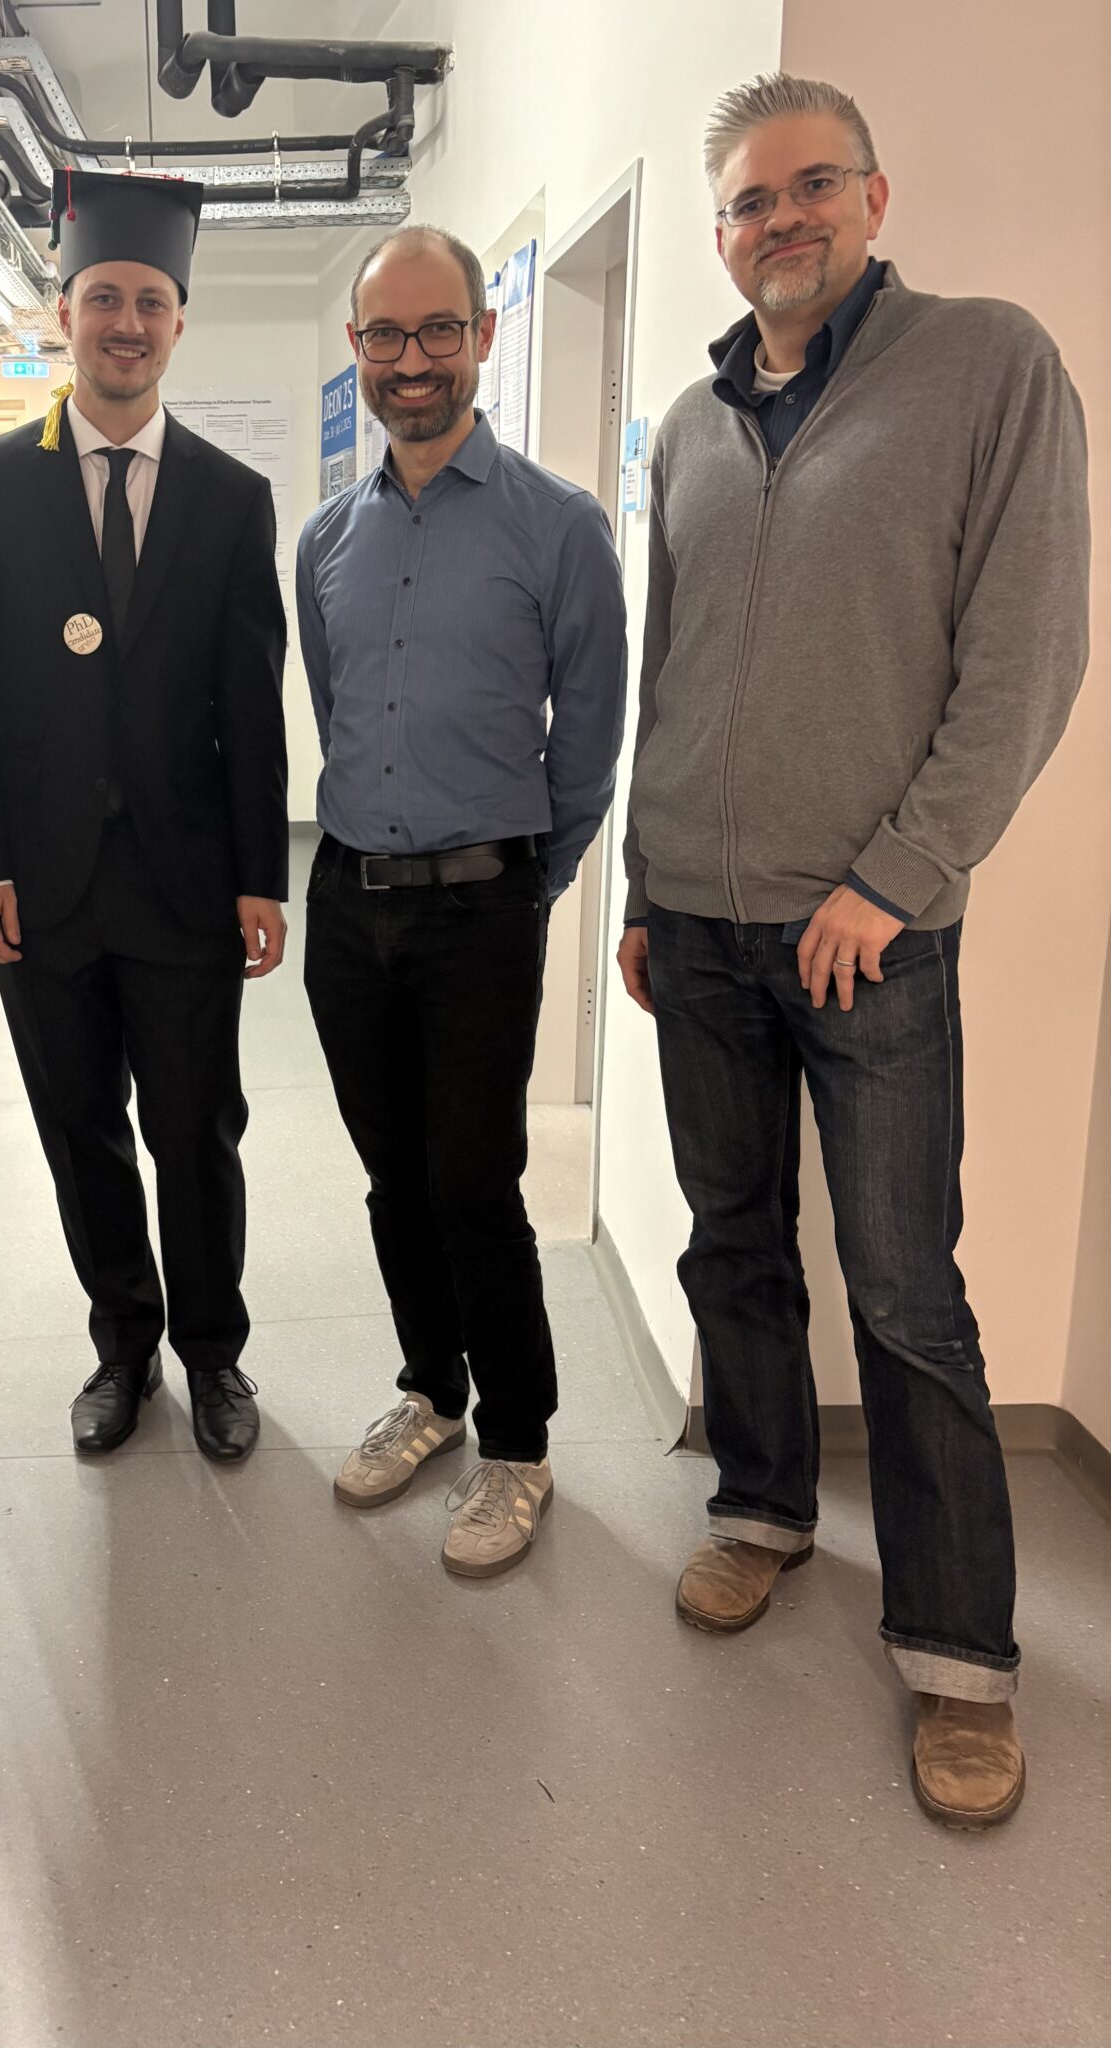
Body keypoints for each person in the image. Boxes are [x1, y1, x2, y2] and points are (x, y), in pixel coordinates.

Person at [617, 73, 1091, 1825]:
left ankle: (960, 1656)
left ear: (874, 199)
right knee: (733, 1244)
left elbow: (1028, 656)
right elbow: (668, 676)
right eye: (750, 201)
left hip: (871, 938)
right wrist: (647, 886)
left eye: (813, 185)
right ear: (721, 235)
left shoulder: (987, 367)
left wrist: (896, 878)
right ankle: (760, 1506)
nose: (782, 220)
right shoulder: (689, 424)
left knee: (903, 1290)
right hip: (703, 926)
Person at [0, 169, 287, 1464]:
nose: (125, 324)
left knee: (196, 1132)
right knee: (79, 1128)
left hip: (186, 884)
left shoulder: (231, 498)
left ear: (179, 321)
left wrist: (262, 874)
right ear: (63, 310)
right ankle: (123, 1346)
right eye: (103, 300)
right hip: (43, 885)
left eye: (149, 302)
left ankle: (215, 1353)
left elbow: (251, 703)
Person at [298, 225, 627, 1578]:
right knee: (394, 1179)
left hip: (483, 909)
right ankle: (433, 1391)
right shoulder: (328, 536)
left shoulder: (559, 526)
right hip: (347, 902)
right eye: (386, 335)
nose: (413, 358)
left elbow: (588, 742)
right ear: (358, 351)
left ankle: (521, 1444)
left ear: (484, 337)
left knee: (474, 1182)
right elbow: (333, 701)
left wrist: (526, 886)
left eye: (440, 330)